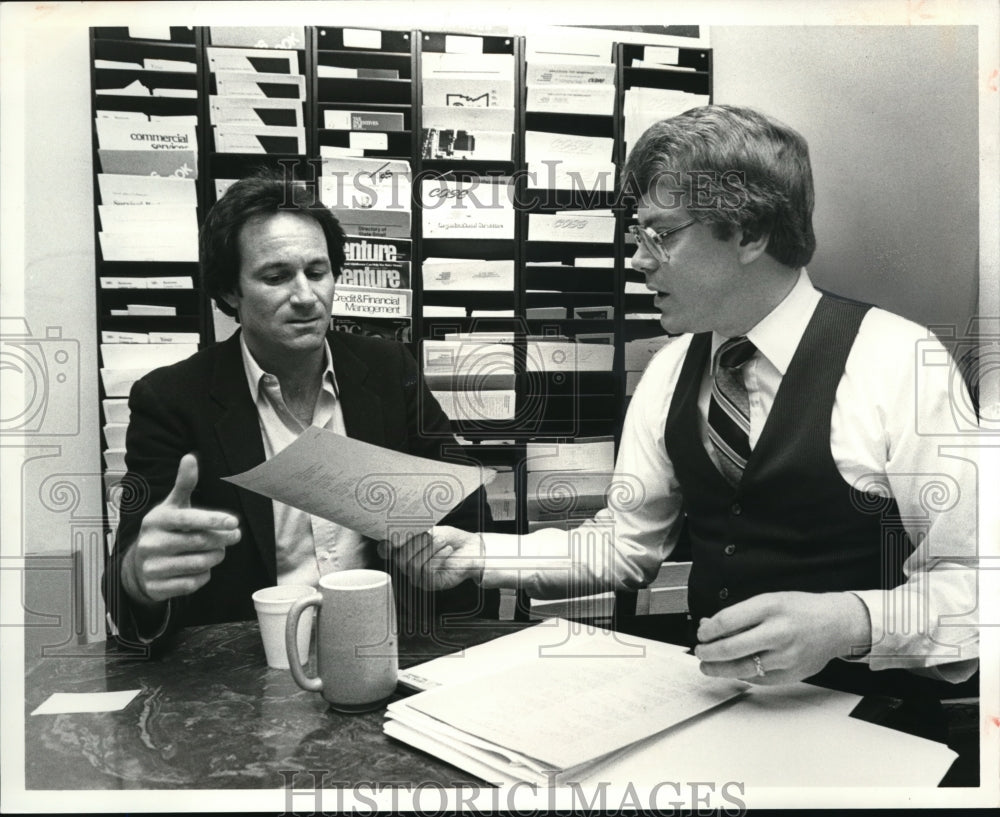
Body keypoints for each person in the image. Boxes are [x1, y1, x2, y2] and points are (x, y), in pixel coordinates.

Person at [388, 105, 979, 696]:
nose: (640, 259)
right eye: (638, 234)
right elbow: (625, 544)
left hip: (875, 724)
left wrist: (856, 621)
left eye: (662, 234)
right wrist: (478, 554)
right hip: (716, 706)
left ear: (749, 232)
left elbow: (979, 587)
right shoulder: (671, 369)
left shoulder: (901, 361)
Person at [102, 170, 492, 648]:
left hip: (385, 647)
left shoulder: (388, 369)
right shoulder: (171, 400)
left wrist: (432, 538)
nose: (306, 296)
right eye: (276, 276)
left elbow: (465, 504)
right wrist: (140, 577)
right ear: (229, 292)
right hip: (249, 667)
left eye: (317, 271)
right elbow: (128, 587)